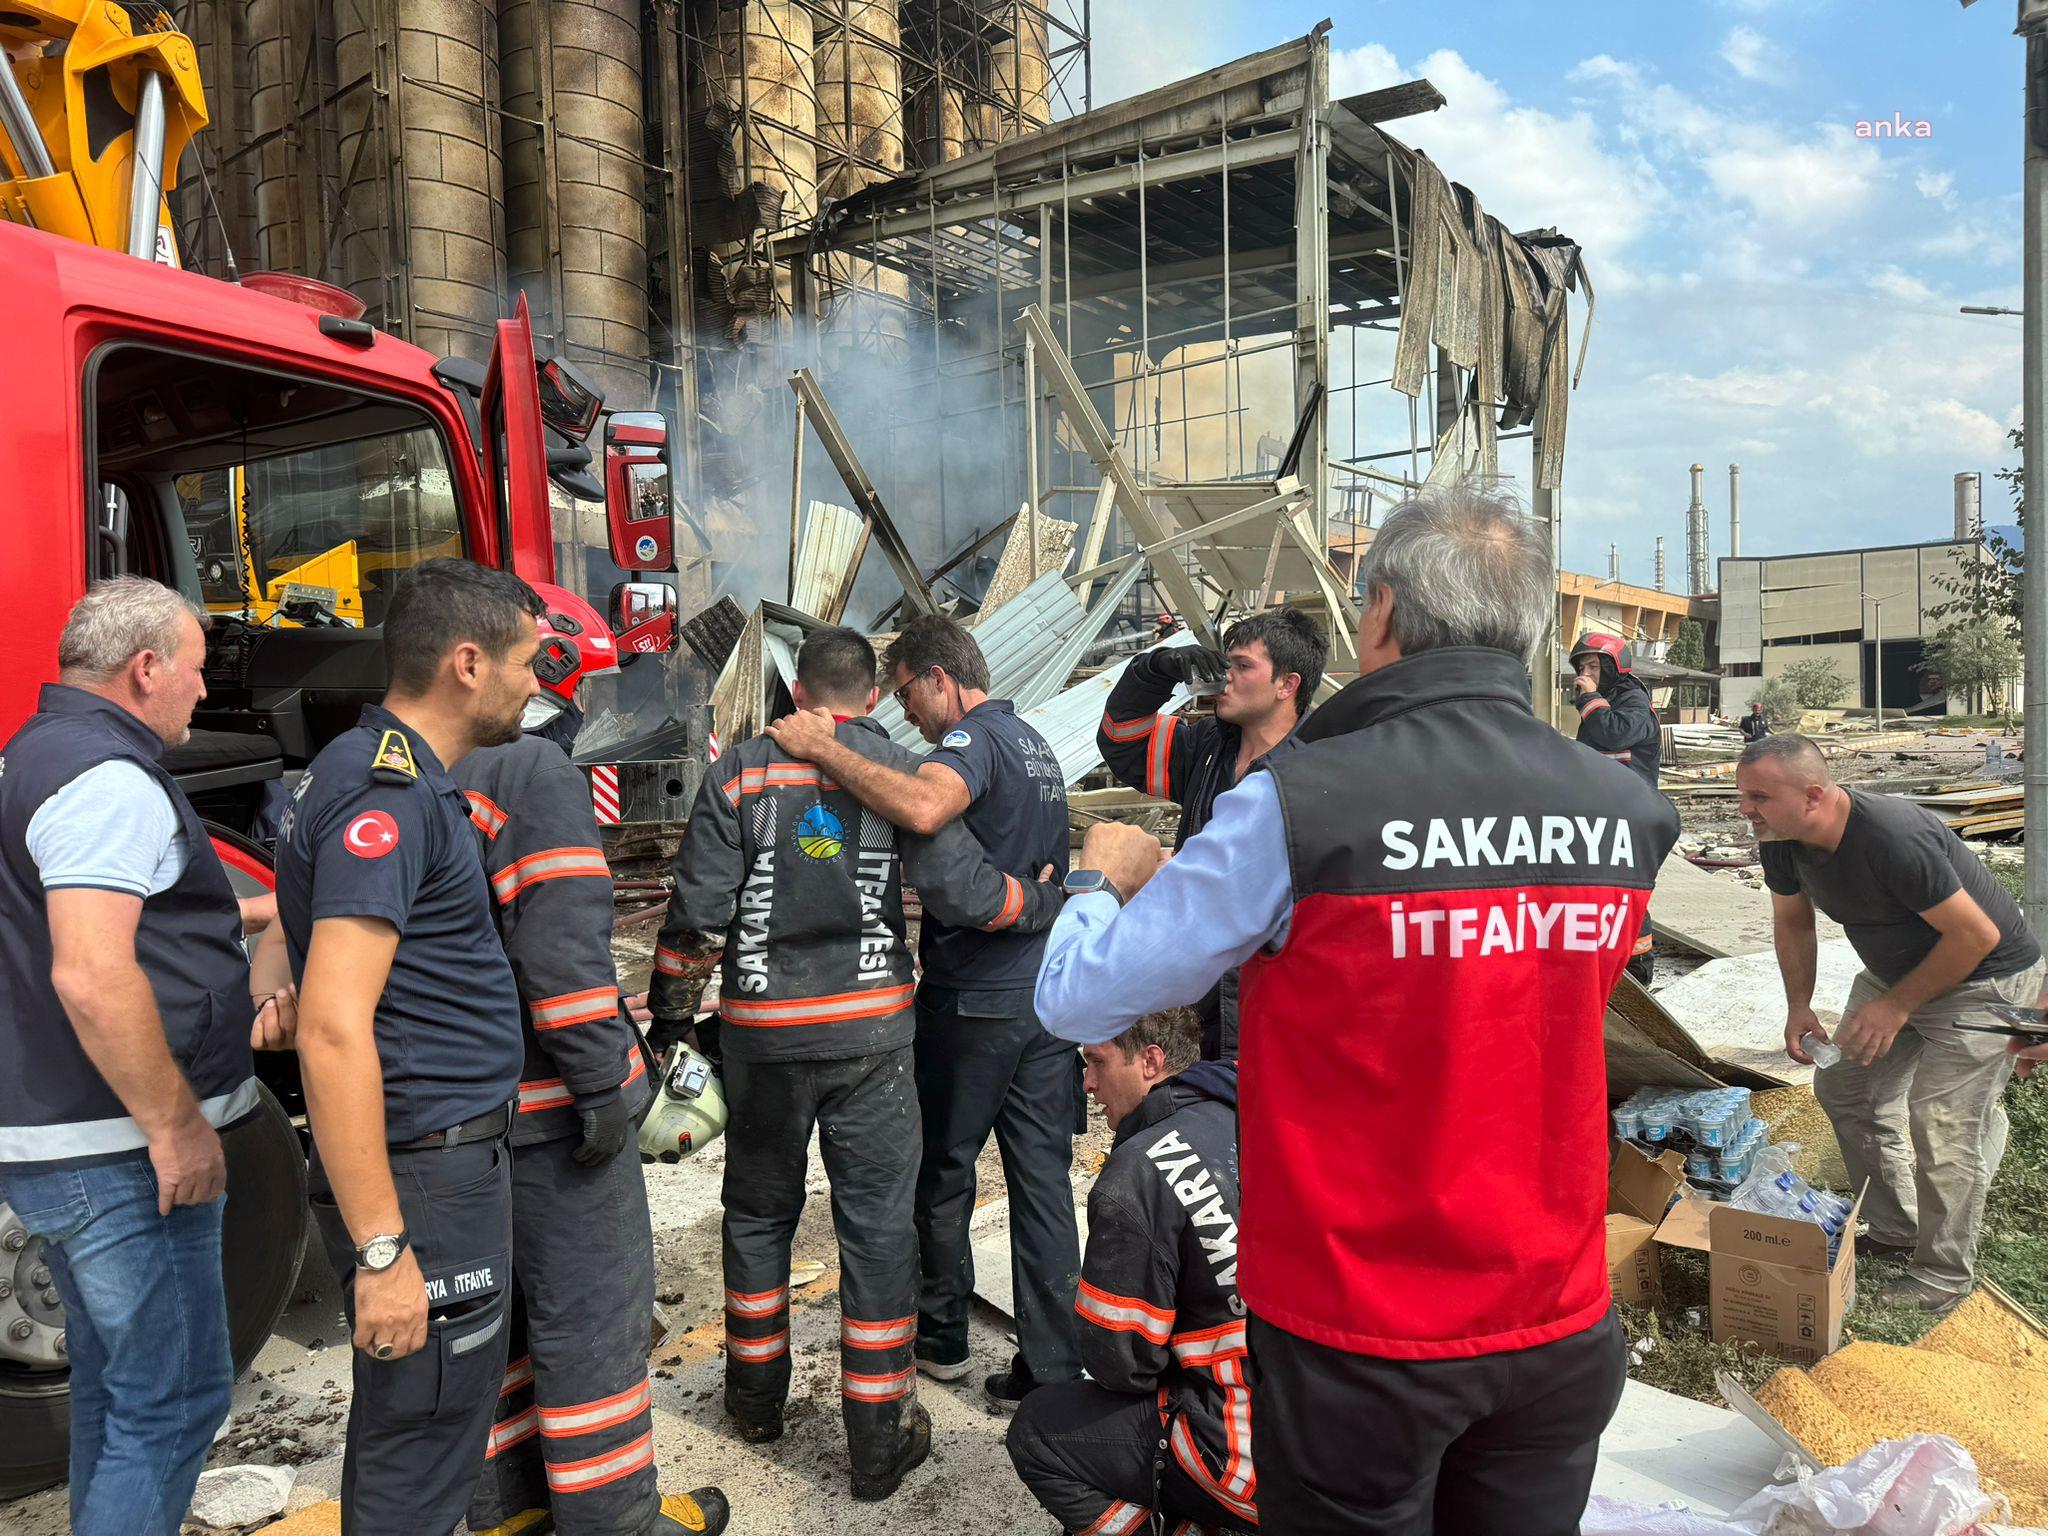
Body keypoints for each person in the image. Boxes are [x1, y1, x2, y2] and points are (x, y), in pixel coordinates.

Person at [1033, 487, 1680, 1536]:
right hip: (1557, 1322)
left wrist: (1096, 880)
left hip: (1362, 1341)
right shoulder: (1624, 812)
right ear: (1526, 627)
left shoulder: (1300, 806)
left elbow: (1077, 999)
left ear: (1377, 614)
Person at [652, 626, 1066, 1496]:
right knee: (878, 1229)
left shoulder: (745, 770)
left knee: (758, 1216)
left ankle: (755, 1402)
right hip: (875, 1038)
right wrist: (1051, 902)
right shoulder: (896, 778)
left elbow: (696, 915)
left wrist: (673, 1022)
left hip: (763, 1037)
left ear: (798, 692)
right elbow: (964, 891)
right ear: (872, 697)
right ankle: (879, 1442)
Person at [0, 578, 274, 1536]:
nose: (205, 692)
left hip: (65, 1138)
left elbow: (86, 918)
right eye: (198, 671)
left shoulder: (37, 751)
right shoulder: (108, 779)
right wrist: (176, 1125)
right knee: (177, 1398)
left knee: (118, 1390)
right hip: (115, 1149)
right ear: (146, 669)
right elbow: (88, 971)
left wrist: (239, 914)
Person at [274, 559, 542, 1534]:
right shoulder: (390, 799)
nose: (535, 684)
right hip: (425, 1181)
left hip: (427, 1167)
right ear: (466, 663)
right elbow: (335, 1024)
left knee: (410, 1437)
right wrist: (387, 1250)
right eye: (526, 662)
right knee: (420, 1452)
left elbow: (306, 940)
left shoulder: (357, 771)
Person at [459, 583, 728, 1536]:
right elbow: (566, 965)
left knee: (501, 1327)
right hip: (546, 1106)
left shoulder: (378, 768)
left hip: (460, 1125)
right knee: (594, 1322)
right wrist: (615, 1089)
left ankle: (508, 1510)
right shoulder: (533, 773)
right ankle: (616, 1519)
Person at [765, 612, 1080, 1408]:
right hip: (1043, 1000)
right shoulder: (1036, 743)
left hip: (975, 999)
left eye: (907, 695)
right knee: (1042, 1183)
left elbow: (926, 810)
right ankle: (1052, 1366)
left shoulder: (969, 745)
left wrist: (826, 748)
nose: (906, 715)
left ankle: (940, 1338)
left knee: (941, 1173)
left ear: (941, 677)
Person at [1737, 733, 2044, 1314]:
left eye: (1758, 796)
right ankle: (1896, 1228)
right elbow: (1793, 922)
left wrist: (1896, 1007)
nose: (1745, 809)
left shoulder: (1893, 837)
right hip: (1897, 975)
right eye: (1742, 795)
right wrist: (1799, 1004)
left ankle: (1943, 1276)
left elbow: (1978, 936)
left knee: (1941, 1122)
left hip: (1988, 981)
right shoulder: (1780, 837)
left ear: (1813, 796)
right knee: (1845, 1086)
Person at [1006, 1006, 1256, 1535]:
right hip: (1336, 1436)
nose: (1088, 1085)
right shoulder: (1241, 1107)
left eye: (1096, 1063)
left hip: (1247, 1461)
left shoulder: (1137, 1173)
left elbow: (1122, 1365)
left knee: (1037, 1431)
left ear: (1150, 1060)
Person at [1095, 607, 1326, 1058]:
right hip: (1197, 990)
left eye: (1243, 667)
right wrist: (1156, 670)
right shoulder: (1206, 746)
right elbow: (1120, 738)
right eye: (1226, 664)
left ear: (1287, 685)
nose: (1226, 678)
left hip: (1275, 995)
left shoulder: (1319, 767)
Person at [1570, 632, 1663, 986]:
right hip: (1604, 813)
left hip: (1632, 814)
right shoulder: (1601, 703)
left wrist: (1590, 698)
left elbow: (1615, 735)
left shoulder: (1633, 701)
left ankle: (1638, 969)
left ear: (1614, 666)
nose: (1586, 672)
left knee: (1627, 889)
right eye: (1582, 666)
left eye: (1594, 665)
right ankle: (1607, 959)